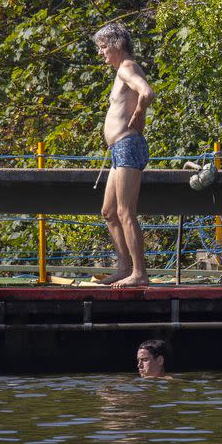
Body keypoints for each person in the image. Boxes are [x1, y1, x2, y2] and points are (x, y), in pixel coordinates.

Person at [93, 23, 155, 288]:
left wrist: (140, 113)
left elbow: (147, 92)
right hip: (119, 149)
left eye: (103, 47)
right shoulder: (122, 71)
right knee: (109, 211)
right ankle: (124, 267)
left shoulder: (127, 68)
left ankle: (139, 273)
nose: (101, 54)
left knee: (125, 211)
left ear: (116, 45)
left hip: (128, 146)